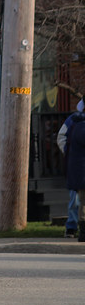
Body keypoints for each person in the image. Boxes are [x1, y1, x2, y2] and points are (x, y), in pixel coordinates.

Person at [57, 99, 85, 239]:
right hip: (77, 165)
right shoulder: (73, 120)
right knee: (76, 199)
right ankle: (72, 226)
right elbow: (61, 137)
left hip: (77, 165)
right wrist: (69, 153)